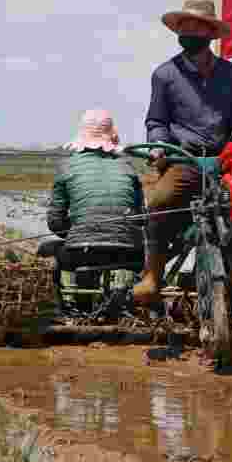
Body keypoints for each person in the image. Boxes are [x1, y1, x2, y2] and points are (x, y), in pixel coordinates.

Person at [133, 0, 232, 306]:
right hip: (183, 160)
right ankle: (152, 274)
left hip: (224, 160)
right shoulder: (165, 75)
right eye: (182, 26)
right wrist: (157, 147)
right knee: (160, 202)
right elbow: (156, 121)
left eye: (194, 26)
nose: (187, 31)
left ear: (209, 33)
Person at [47, 109, 144, 312]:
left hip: (82, 252)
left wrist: (78, 231)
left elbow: (55, 222)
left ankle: (62, 308)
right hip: (129, 254)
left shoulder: (67, 166)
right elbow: (140, 217)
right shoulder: (127, 167)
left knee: (47, 251)